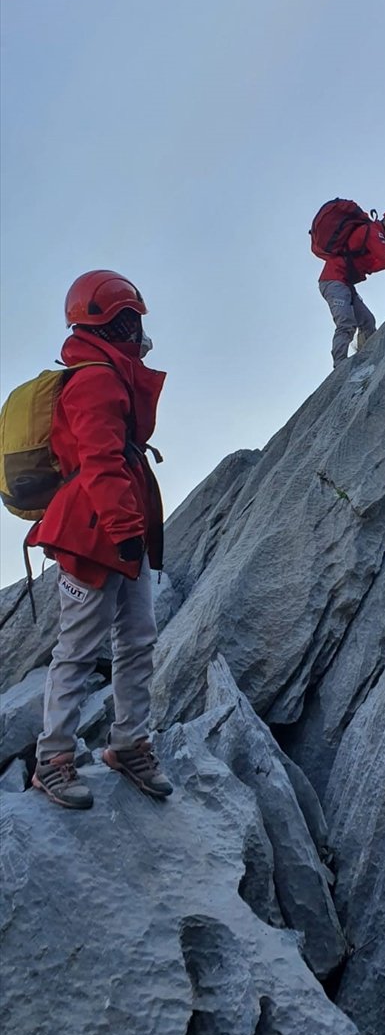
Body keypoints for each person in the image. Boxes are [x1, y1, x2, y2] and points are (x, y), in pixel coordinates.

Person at [29, 269, 172, 809]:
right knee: (78, 650)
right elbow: (100, 463)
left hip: (115, 531)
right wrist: (125, 533)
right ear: (105, 326)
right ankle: (53, 761)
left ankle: (128, 743)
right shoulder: (95, 379)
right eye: (125, 320)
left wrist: (129, 534)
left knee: (137, 638)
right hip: (94, 536)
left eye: (132, 319)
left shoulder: (108, 372)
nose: (134, 330)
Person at [318, 205, 385, 367]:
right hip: (333, 280)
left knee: (367, 322)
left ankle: (366, 360)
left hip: (344, 283)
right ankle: (340, 366)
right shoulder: (373, 232)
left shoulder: (373, 235)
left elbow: (372, 265)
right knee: (346, 322)